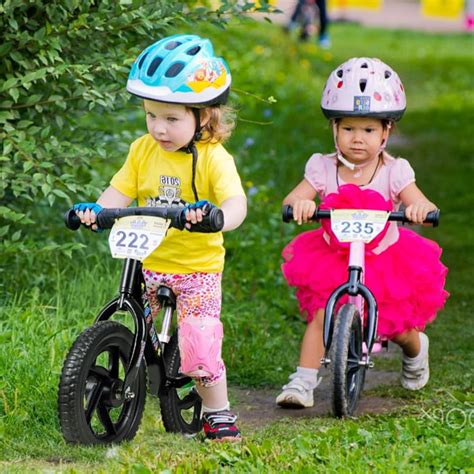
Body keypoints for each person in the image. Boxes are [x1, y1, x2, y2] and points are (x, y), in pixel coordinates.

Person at [74, 34, 247, 441]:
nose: (158, 128)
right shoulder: (141, 150)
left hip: (197, 269)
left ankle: (217, 412)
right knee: (156, 336)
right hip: (150, 263)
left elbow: (237, 203)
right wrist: (95, 212)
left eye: (171, 119)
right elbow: (117, 194)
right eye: (152, 115)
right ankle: (138, 368)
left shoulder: (214, 158)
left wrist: (217, 217)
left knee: (200, 346)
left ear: (204, 116)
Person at [276, 57, 449, 408]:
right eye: (349, 129)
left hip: (384, 258)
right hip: (333, 256)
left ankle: (417, 351)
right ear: (334, 128)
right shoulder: (322, 167)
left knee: (395, 325)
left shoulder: (394, 171)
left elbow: (419, 200)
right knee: (323, 312)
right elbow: (295, 197)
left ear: (386, 132)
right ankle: (303, 381)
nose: (358, 139)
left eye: (368, 130)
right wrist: (301, 205)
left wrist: (419, 209)